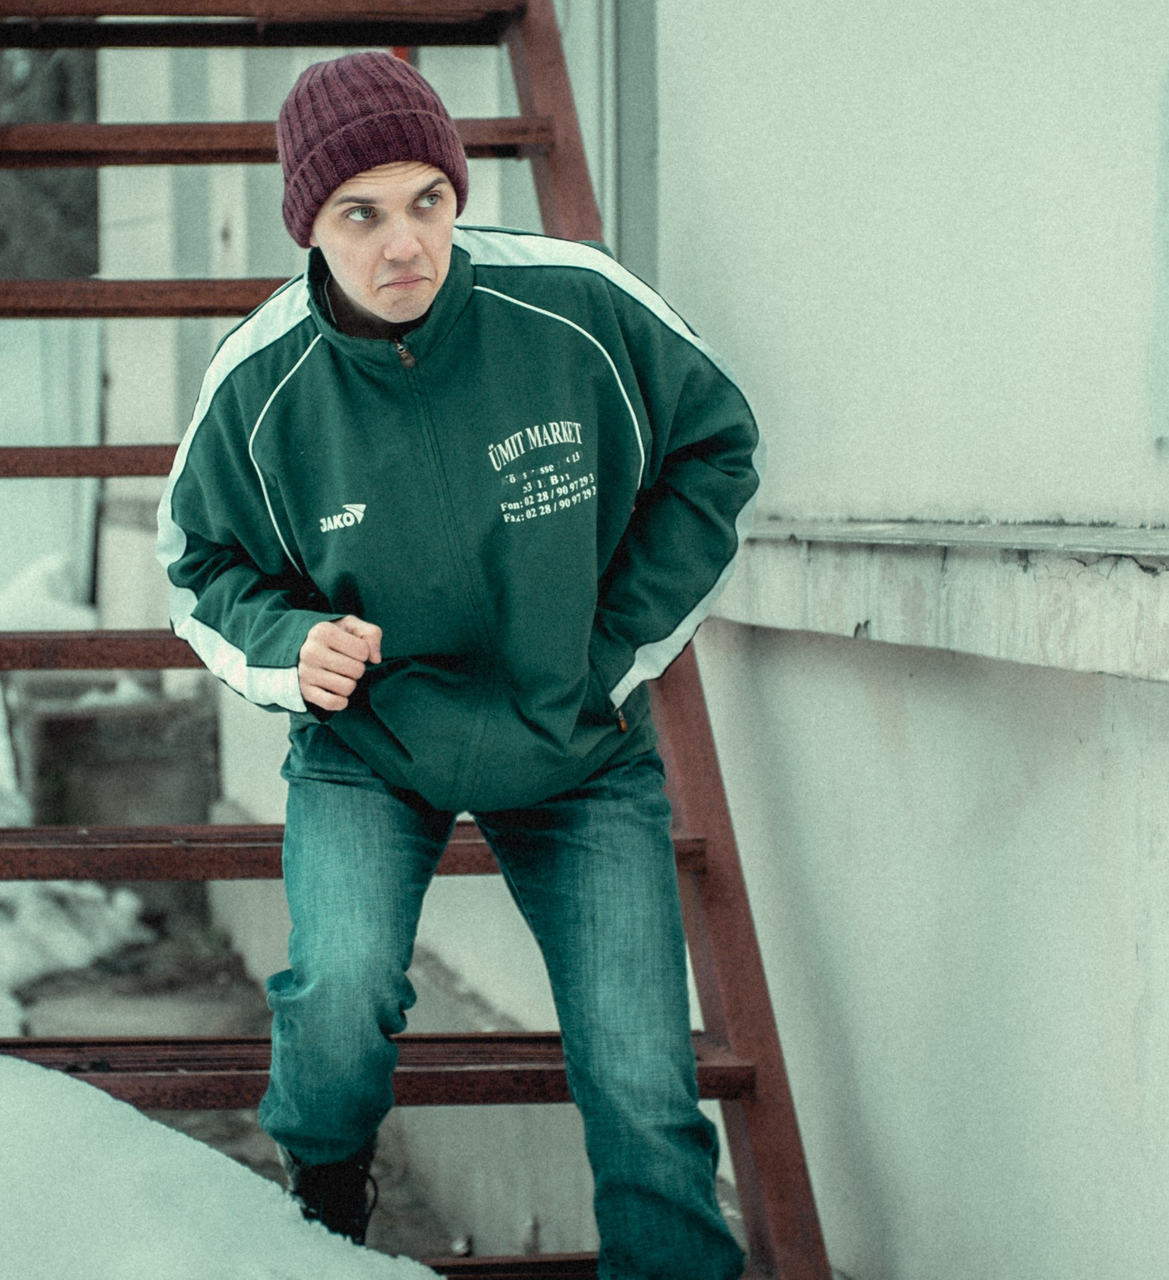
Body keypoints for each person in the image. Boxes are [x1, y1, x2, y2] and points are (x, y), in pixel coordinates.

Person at [154, 51, 757, 1280]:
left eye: (427, 201)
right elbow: (195, 565)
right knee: (338, 997)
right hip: (373, 746)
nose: (403, 245)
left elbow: (716, 448)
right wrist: (290, 646)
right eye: (360, 214)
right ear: (308, 226)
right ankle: (323, 1207)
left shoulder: (574, 304)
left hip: (577, 741)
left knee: (644, 1077)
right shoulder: (261, 382)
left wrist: (606, 650)